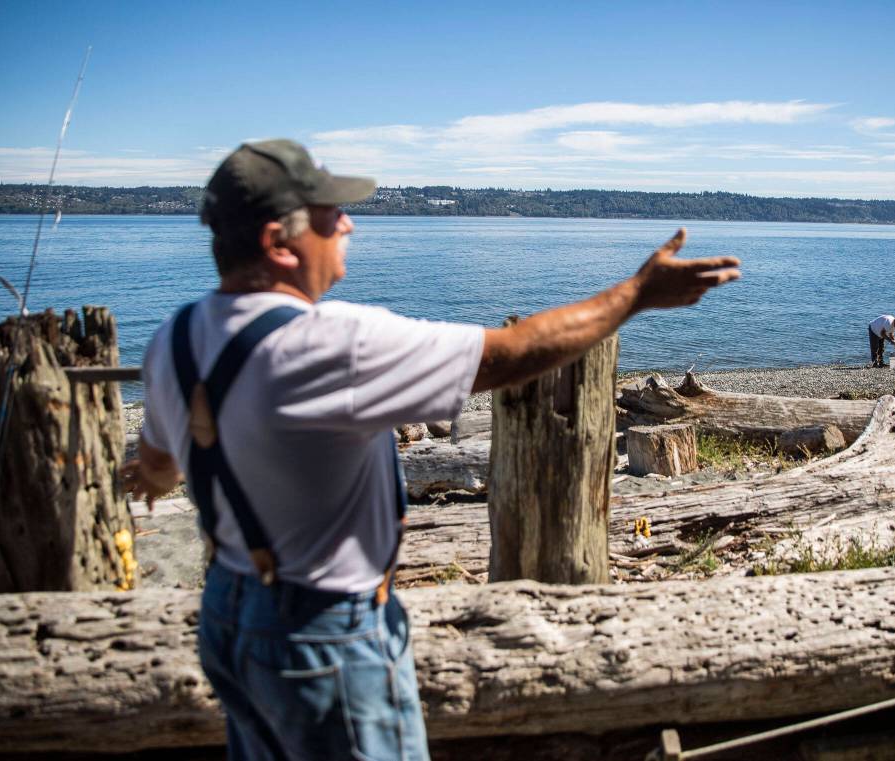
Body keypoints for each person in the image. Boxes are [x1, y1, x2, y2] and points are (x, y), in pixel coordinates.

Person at [122, 139, 740, 761]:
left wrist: (148, 478)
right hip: (323, 632)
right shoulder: (330, 343)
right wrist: (636, 295)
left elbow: (161, 461)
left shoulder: (176, 339)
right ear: (279, 243)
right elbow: (510, 354)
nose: (348, 224)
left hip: (227, 613)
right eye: (330, 215)